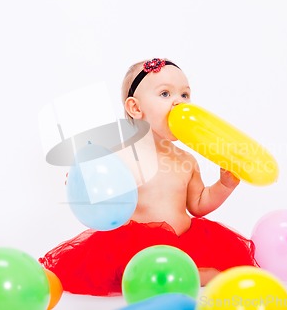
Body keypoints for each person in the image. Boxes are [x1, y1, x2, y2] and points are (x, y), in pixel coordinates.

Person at [39, 58, 258, 296]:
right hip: (135, 250)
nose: (179, 102)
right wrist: (86, 180)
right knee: (126, 271)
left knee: (222, 272)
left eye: (185, 95)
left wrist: (224, 185)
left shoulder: (186, 159)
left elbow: (198, 205)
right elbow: (101, 197)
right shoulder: (119, 156)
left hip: (184, 242)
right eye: (165, 93)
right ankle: (150, 277)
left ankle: (181, 275)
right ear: (135, 108)